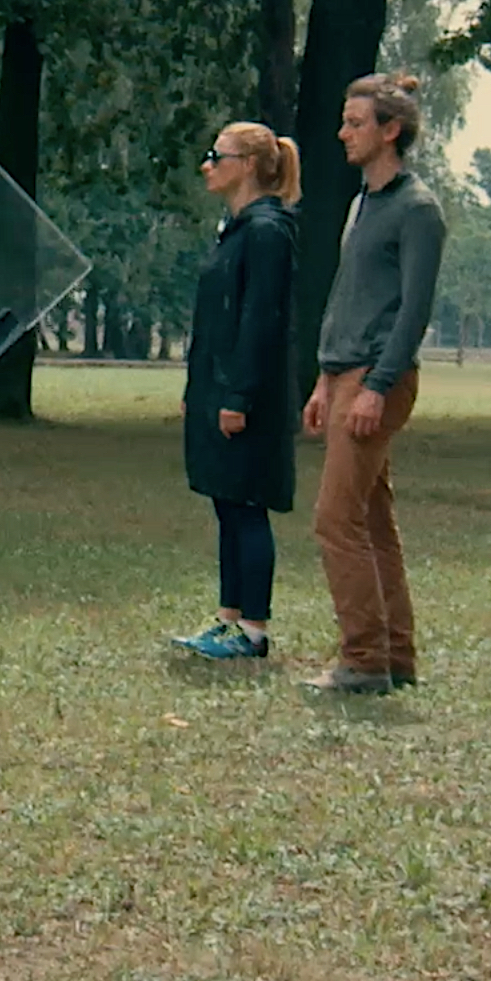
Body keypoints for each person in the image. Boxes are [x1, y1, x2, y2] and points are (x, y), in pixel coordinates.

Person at [300, 74, 446, 696]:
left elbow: (413, 310)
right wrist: (323, 380)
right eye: (344, 120)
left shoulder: (418, 211)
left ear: (391, 130)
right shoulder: (363, 205)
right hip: (344, 373)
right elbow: (348, 299)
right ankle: (396, 656)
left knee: (335, 520)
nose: (343, 133)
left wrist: (376, 387)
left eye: (355, 122)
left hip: (377, 378)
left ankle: (362, 660)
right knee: (373, 520)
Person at [170, 122, 302, 661]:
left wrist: (238, 397)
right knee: (227, 504)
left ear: (247, 164)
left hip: (249, 397)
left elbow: (261, 321)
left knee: (247, 506)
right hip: (218, 386)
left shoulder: (269, 231)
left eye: (215, 156)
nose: (206, 165)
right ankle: (227, 618)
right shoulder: (238, 230)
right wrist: (197, 386)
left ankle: (253, 628)